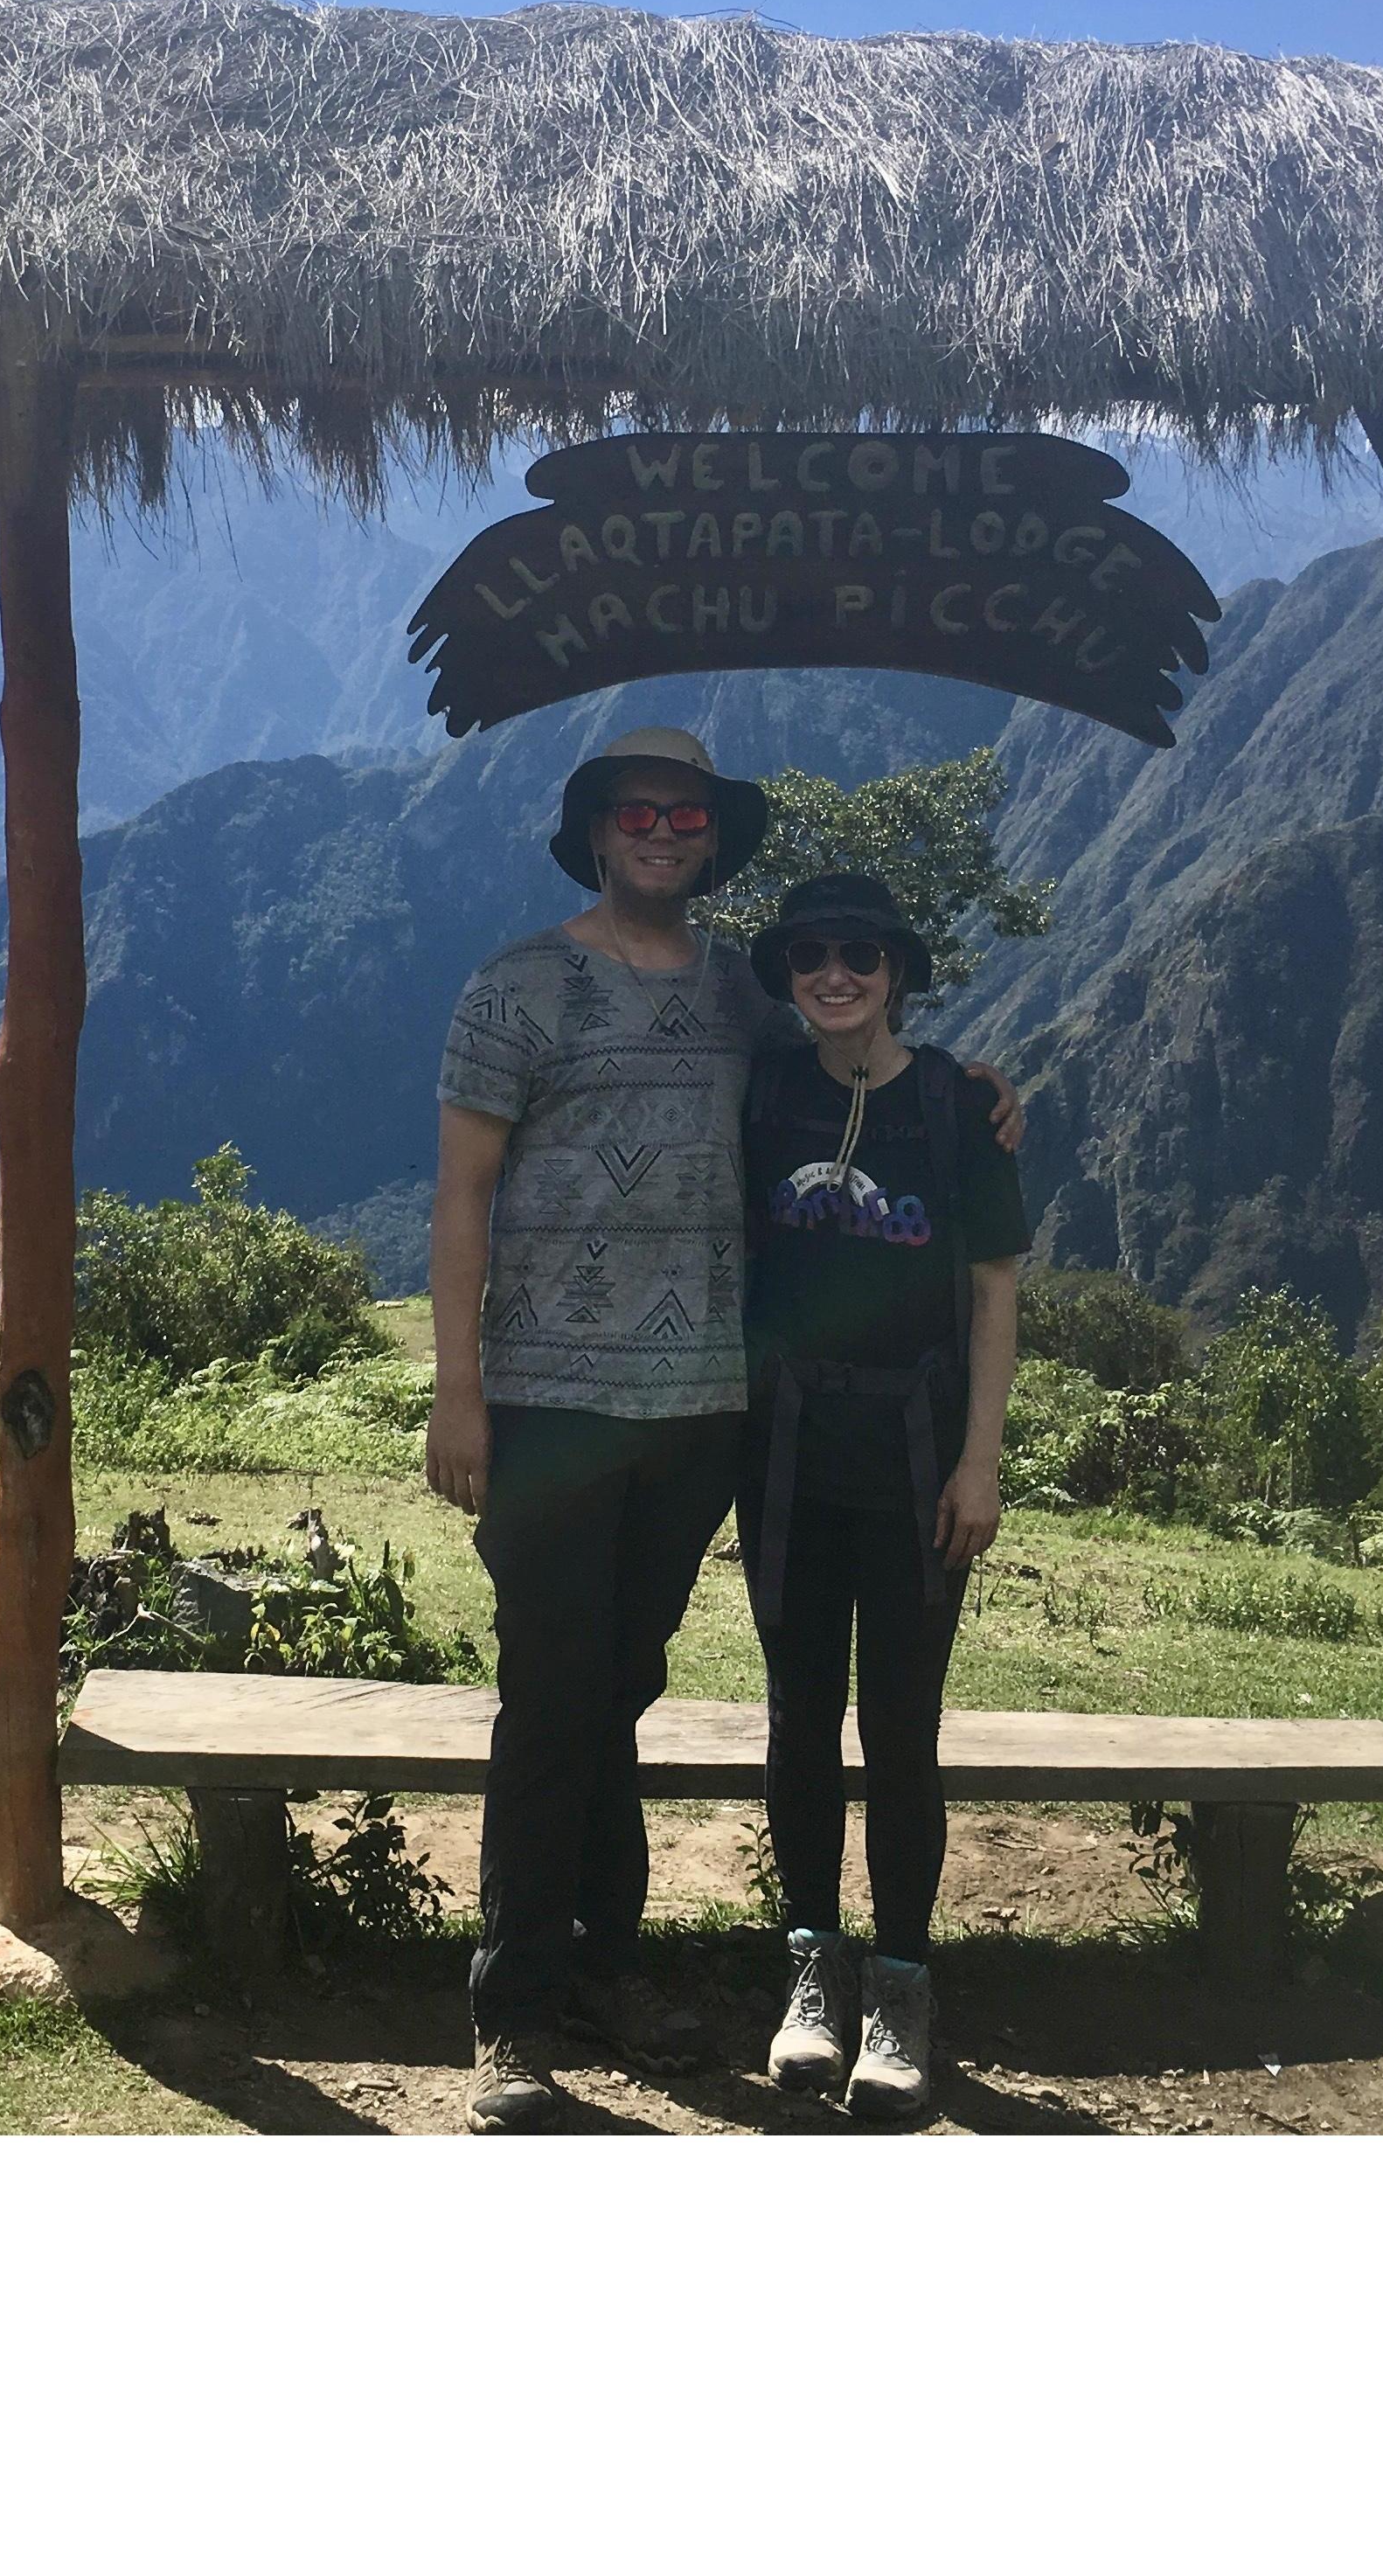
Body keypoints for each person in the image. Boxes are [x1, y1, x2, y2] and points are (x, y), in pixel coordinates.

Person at [428, 728, 1017, 2135]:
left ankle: (606, 1970)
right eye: (635, 810)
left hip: (704, 1418)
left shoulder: (742, 1007)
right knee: (552, 1697)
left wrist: (984, 1086)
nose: (662, 829)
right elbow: (459, 1198)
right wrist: (457, 1392)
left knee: (618, 1690)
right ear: (593, 831)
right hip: (550, 1407)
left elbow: (856, 1063)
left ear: (709, 839)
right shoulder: (517, 988)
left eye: (685, 813)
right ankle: (513, 2014)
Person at [736, 867, 1026, 2124]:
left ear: (897, 971)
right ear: (789, 975)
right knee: (801, 1716)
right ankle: (813, 1968)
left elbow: (995, 1293)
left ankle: (900, 1983)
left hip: (916, 1453)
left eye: (859, 954)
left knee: (901, 1726)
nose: (835, 974)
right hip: (788, 1447)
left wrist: (981, 1457)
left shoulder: (961, 1111)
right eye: (811, 956)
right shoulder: (766, 1091)